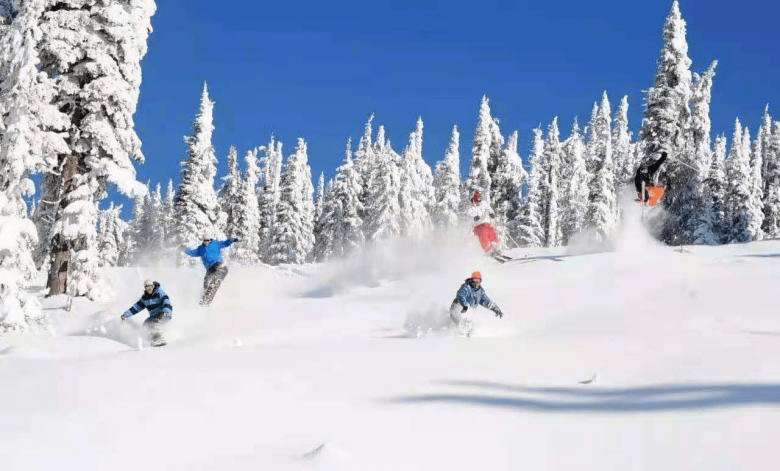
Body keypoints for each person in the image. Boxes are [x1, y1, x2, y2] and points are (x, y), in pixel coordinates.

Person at [183, 234, 238, 306]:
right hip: (209, 269)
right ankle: (204, 298)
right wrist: (184, 249)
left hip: (218, 265)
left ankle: (215, 282)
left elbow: (225, 243)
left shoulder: (216, 243)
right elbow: (192, 252)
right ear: (203, 240)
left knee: (217, 275)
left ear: (210, 240)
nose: (206, 242)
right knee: (206, 283)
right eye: (205, 240)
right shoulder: (200, 249)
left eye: (208, 240)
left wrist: (231, 240)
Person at [449, 271, 504, 336]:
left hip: (467, 311)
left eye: (478, 280)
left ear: (480, 280)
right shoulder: (466, 287)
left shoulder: (480, 292)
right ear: (472, 279)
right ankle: (457, 336)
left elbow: (487, 301)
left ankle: (469, 337)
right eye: (475, 279)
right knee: (463, 325)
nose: (476, 282)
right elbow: (461, 295)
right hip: (458, 307)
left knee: (471, 326)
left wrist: (496, 309)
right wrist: (465, 305)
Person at [121, 279, 173, 347]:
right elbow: (136, 308)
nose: (149, 288)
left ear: (153, 286)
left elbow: (167, 302)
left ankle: (159, 339)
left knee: (154, 323)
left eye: (150, 286)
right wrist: (125, 315)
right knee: (146, 324)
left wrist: (165, 312)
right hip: (153, 316)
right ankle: (150, 339)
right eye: (147, 286)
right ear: (145, 288)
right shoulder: (145, 298)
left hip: (163, 314)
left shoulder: (159, 293)